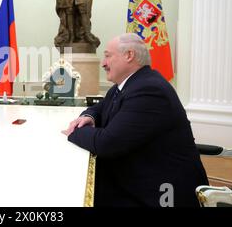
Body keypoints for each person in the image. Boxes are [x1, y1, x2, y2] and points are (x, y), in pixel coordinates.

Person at [62, 33, 208, 207]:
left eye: (108, 56)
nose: (103, 63)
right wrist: (88, 117)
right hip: (136, 175)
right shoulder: (127, 84)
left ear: (129, 55)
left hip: (159, 193)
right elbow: (99, 109)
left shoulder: (149, 90)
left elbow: (107, 143)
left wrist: (75, 130)